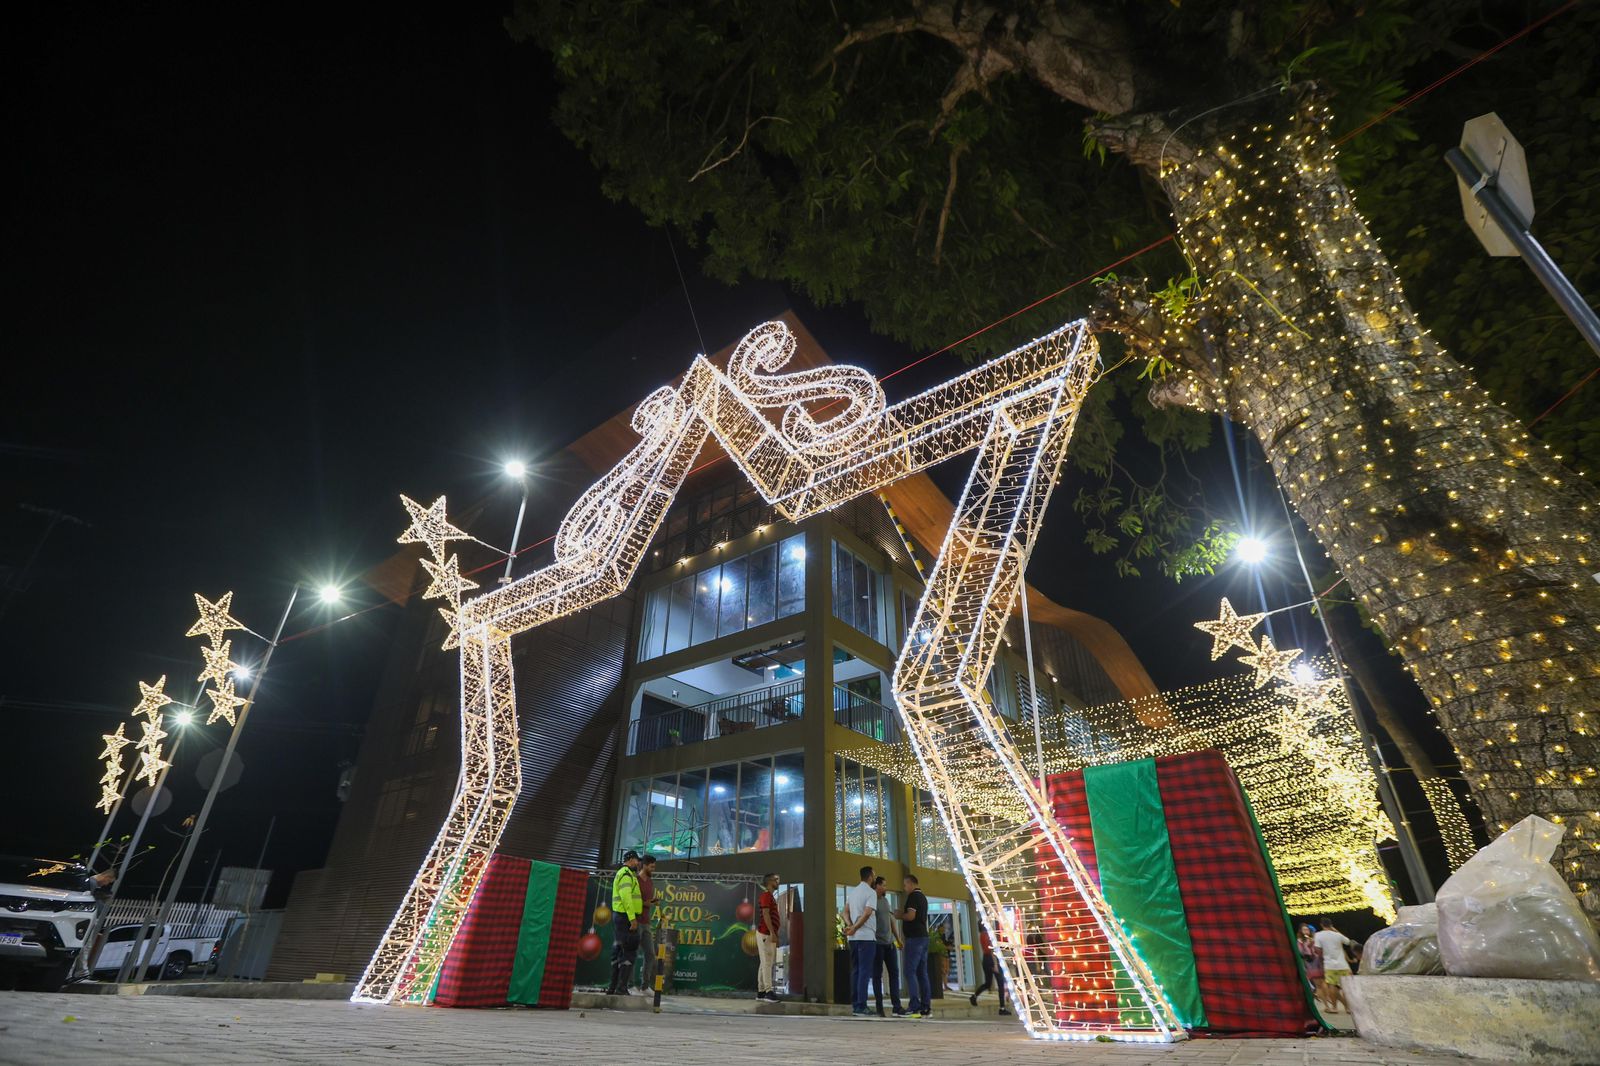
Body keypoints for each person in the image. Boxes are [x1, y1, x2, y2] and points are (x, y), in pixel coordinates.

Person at [842, 865, 878, 1017]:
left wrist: (850, 926)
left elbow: (844, 911)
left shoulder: (854, 891)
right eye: (874, 875)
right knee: (864, 971)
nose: (875, 877)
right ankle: (862, 1006)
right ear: (870, 877)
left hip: (853, 939)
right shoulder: (871, 892)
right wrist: (855, 927)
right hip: (866, 937)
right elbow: (867, 913)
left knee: (856, 970)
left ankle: (856, 1004)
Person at [606, 850, 643, 995]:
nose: (638, 863)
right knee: (628, 951)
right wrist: (632, 918)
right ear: (630, 859)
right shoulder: (626, 875)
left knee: (619, 950)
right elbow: (626, 898)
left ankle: (613, 987)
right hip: (626, 917)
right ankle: (621, 988)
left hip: (621, 917)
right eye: (636, 860)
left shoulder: (625, 874)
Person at [871, 877, 908, 1017]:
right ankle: (879, 1006)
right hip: (877, 944)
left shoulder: (886, 901)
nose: (886, 887)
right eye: (884, 885)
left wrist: (898, 939)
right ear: (877, 886)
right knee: (876, 975)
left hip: (889, 943)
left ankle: (896, 1006)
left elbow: (891, 921)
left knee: (894, 974)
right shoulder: (871, 901)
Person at [897, 873, 931, 1018]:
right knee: (922, 973)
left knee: (909, 971)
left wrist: (900, 915)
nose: (905, 888)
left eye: (905, 885)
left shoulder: (913, 897)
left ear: (911, 884)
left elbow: (911, 916)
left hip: (915, 939)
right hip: (923, 937)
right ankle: (926, 1007)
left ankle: (914, 1006)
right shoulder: (923, 897)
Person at [1313, 917, 1355, 1013]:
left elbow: (1317, 950)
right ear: (1331, 925)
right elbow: (1348, 942)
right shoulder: (1337, 935)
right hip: (1343, 965)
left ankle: (1334, 1007)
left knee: (1332, 985)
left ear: (1321, 924)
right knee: (1346, 987)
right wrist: (1335, 930)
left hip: (1329, 965)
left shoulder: (1318, 935)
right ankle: (1348, 1008)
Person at [969, 923, 1010, 1015]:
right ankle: (1002, 1008)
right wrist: (995, 964)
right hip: (992, 960)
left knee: (988, 983)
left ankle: (974, 996)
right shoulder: (988, 935)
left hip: (985, 959)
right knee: (1000, 983)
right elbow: (992, 949)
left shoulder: (981, 935)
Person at [756, 872, 781, 1001]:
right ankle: (768, 992)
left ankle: (761, 992)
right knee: (767, 963)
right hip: (765, 934)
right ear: (770, 881)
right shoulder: (766, 896)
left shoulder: (770, 896)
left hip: (768, 934)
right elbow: (766, 915)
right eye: (776, 879)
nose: (778, 881)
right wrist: (772, 933)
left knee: (764, 963)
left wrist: (774, 933)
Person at [635, 855, 658, 994]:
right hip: (635, 921)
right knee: (632, 953)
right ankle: (630, 985)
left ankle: (644, 986)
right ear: (644, 865)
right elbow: (632, 901)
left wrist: (652, 902)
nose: (653, 869)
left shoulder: (650, 881)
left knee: (650, 954)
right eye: (652, 866)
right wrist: (646, 903)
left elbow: (647, 901)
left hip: (646, 922)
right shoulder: (635, 880)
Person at [1297, 923, 1326, 1009]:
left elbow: (1319, 949)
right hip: (1310, 962)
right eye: (1304, 930)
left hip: (1319, 961)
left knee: (1324, 982)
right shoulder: (1300, 941)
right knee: (1318, 984)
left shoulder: (1314, 938)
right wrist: (1307, 946)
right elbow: (1301, 952)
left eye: (1307, 930)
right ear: (1301, 931)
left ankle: (1327, 1000)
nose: (1306, 931)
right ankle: (1325, 1004)